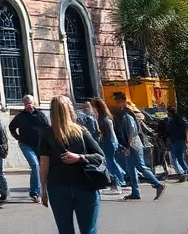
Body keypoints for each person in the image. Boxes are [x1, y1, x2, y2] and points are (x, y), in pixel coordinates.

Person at [39, 95, 105, 234]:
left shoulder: (47, 134)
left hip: (58, 187)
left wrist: (43, 190)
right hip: (84, 184)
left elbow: (44, 164)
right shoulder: (81, 131)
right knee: (88, 230)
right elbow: (100, 157)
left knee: (65, 230)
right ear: (69, 110)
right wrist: (80, 157)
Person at [115, 100, 164, 201]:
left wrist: (128, 146)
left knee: (140, 166)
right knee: (131, 169)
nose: (117, 107)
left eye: (118, 104)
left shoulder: (128, 117)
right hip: (129, 145)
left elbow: (131, 132)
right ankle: (135, 192)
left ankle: (157, 184)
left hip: (133, 145)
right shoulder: (123, 117)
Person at [8, 94, 49, 202]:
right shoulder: (20, 116)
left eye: (30, 102)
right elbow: (11, 127)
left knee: (43, 167)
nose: (28, 105)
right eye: (26, 103)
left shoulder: (40, 115)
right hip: (26, 144)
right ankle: (35, 193)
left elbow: (47, 128)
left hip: (40, 145)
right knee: (35, 165)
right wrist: (18, 137)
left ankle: (45, 191)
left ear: (33, 103)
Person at [89, 97, 126, 192]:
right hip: (109, 141)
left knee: (110, 162)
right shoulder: (105, 117)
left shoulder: (103, 118)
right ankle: (120, 179)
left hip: (108, 141)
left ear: (97, 107)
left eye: (93, 106)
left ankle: (118, 181)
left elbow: (109, 132)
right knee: (111, 161)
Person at [165, 105, 188, 182]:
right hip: (182, 141)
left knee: (176, 159)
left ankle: (182, 173)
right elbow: (186, 130)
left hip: (175, 141)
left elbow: (168, 132)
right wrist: (187, 139)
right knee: (180, 158)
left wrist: (167, 140)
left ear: (169, 112)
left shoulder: (171, 121)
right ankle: (187, 173)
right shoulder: (181, 119)